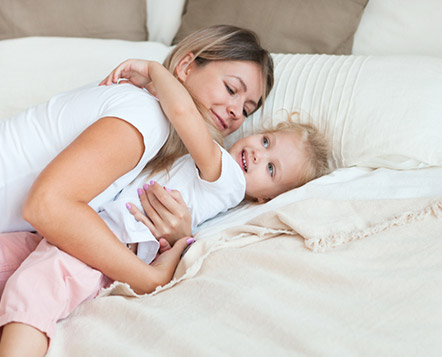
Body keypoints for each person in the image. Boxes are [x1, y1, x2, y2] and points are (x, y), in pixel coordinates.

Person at [0, 58, 330, 356]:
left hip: (103, 247)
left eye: (272, 169)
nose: (259, 154)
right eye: (266, 141)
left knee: (33, 288)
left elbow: (183, 113)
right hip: (76, 230)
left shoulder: (227, 179)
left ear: (265, 199)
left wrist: (155, 70)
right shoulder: (184, 154)